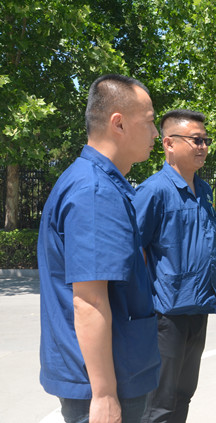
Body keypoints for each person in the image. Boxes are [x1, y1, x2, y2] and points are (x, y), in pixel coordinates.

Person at [38, 74, 161, 422]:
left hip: (117, 371)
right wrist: (104, 394)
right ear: (118, 124)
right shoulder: (94, 192)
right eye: (149, 121)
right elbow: (89, 300)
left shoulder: (100, 183)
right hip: (105, 383)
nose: (156, 133)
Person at [133, 109, 216, 423]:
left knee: (184, 394)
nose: (203, 147)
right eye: (196, 140)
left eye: (205, 140)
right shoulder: (153, 191)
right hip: (166, 315)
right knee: (159, 402)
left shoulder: (204, 191)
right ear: (169, 144)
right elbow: (134, 250)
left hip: (198, 308)